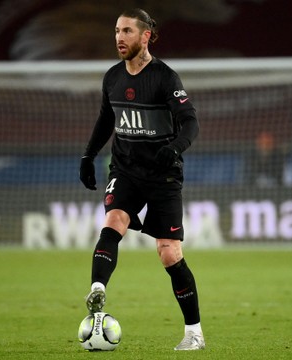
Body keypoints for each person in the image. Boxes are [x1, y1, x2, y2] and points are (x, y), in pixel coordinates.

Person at [78, 8, 205, 351]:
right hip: (126, 169)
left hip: (163, 175)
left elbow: (190, 122)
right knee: (114, 220)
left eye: (127, 31)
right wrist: (89, 156)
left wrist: (176, 147)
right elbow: (106, 119)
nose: (119, 37)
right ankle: (98, 289)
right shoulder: (112, 77)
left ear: (145, 36)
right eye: (117, 31)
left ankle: (194, 332)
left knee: (168, 253)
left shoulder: (165, 77)